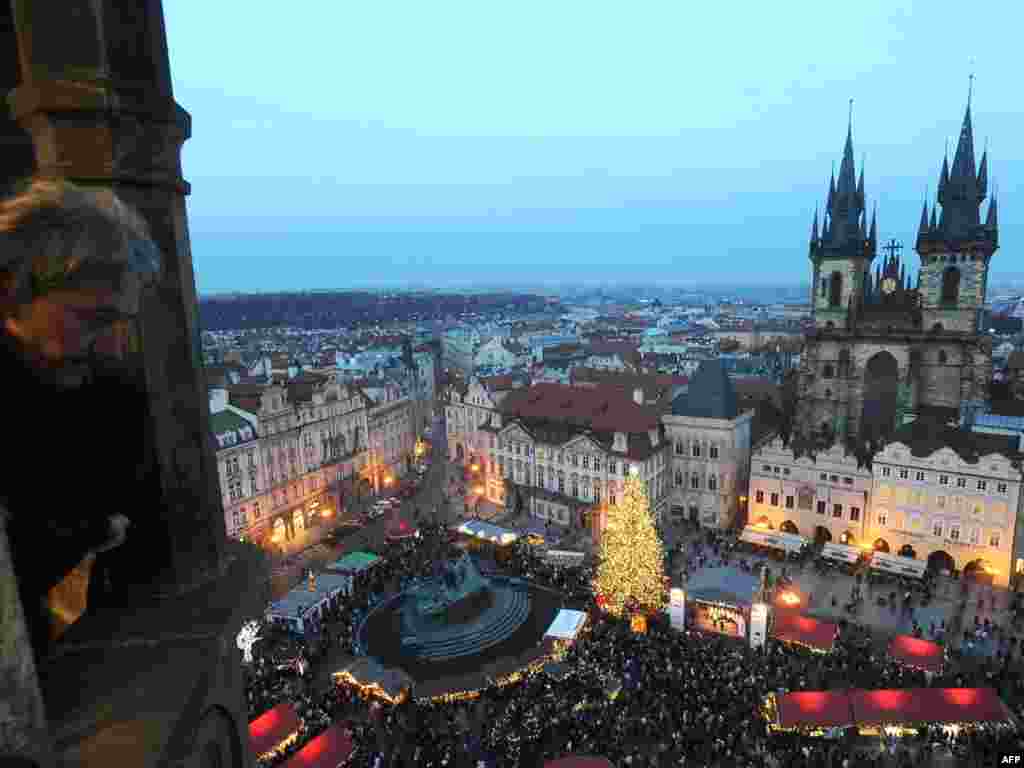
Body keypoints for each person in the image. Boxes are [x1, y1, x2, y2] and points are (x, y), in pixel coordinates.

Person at [0, 178, 162, 664]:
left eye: (122, 323)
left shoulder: (97, 391)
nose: (113, 345)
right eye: (92, 319)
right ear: (11, 289)